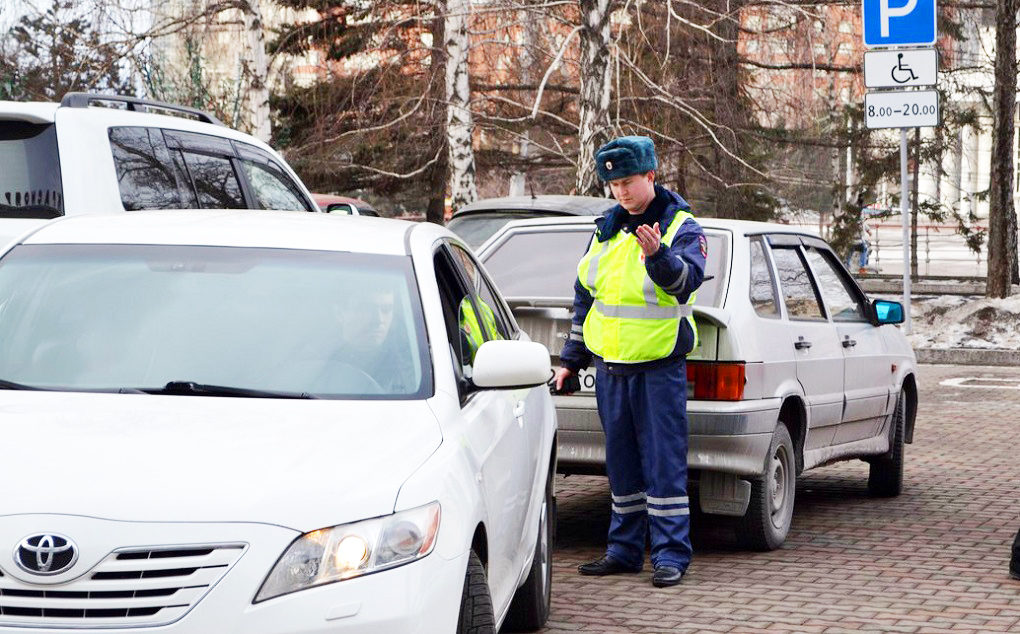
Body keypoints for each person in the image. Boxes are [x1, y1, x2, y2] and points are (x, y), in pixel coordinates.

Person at [553, 135, 706, 588]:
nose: (621, 191)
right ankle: (623, 551)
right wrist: (570, 360)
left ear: (651, 176)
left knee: (663, 464)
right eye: (614, 183)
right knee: (621, 467)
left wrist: (657, 256)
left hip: (659, 368)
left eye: (628, 181)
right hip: (610, 370)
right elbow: (587, 298)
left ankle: (670, 556)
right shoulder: (605, 229)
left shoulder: (682, 226)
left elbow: (685, 282)